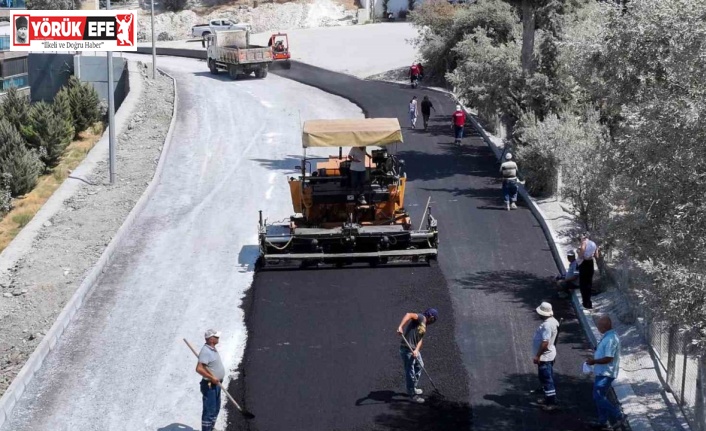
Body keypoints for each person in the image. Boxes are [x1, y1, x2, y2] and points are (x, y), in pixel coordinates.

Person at [586, 316, 626, 430]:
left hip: (606, 373)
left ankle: (618, 415)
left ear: (605, 326)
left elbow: (608, 358)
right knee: (600, 396)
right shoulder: (608, 336)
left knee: (597, 395)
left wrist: (593, 361)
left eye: (599, 326)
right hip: (602, 372)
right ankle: (602, 421)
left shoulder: (610, 339)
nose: (598, 328)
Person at [397, 308, 438, 404]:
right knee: (410, 371)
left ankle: (413, 387)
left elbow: (420, 340)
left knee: (420, 365)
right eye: (434, 319)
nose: (434, 321)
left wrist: (416, 350)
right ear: (431, 316)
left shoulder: (425, 325)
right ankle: (412, 394)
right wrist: (400, 327)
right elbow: (408, 314)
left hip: (414, 350)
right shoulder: (421, 317)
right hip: (407, 349)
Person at [532, 302, 560, 411]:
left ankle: (552, 403)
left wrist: (538, 356)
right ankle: (547, 398)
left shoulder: (547, 325)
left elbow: (545, 342)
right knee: (544, 377)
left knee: (546, 378)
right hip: (549, 355)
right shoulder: (554, 321)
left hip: (545, 356)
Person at [196, 329, 226, 431]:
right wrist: (212, 377)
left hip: (216, 384)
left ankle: (211, 428)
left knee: (216, 408)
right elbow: (199, 369)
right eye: (216, 337)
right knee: (209, 410)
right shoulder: (205, 351)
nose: (218, 338)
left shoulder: (212, 348)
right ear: (211, 339)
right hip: (210, 385)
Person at [577, 232, 600, 309]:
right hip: (590, 263)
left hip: (584, 263)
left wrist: (579, 254)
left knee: (583, 284)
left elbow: (582, 250)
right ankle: (589, 302)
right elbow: (596, 255)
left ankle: (585, 302)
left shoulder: (584, 242)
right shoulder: (594, 244)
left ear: (583, 237)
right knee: (589, 284)